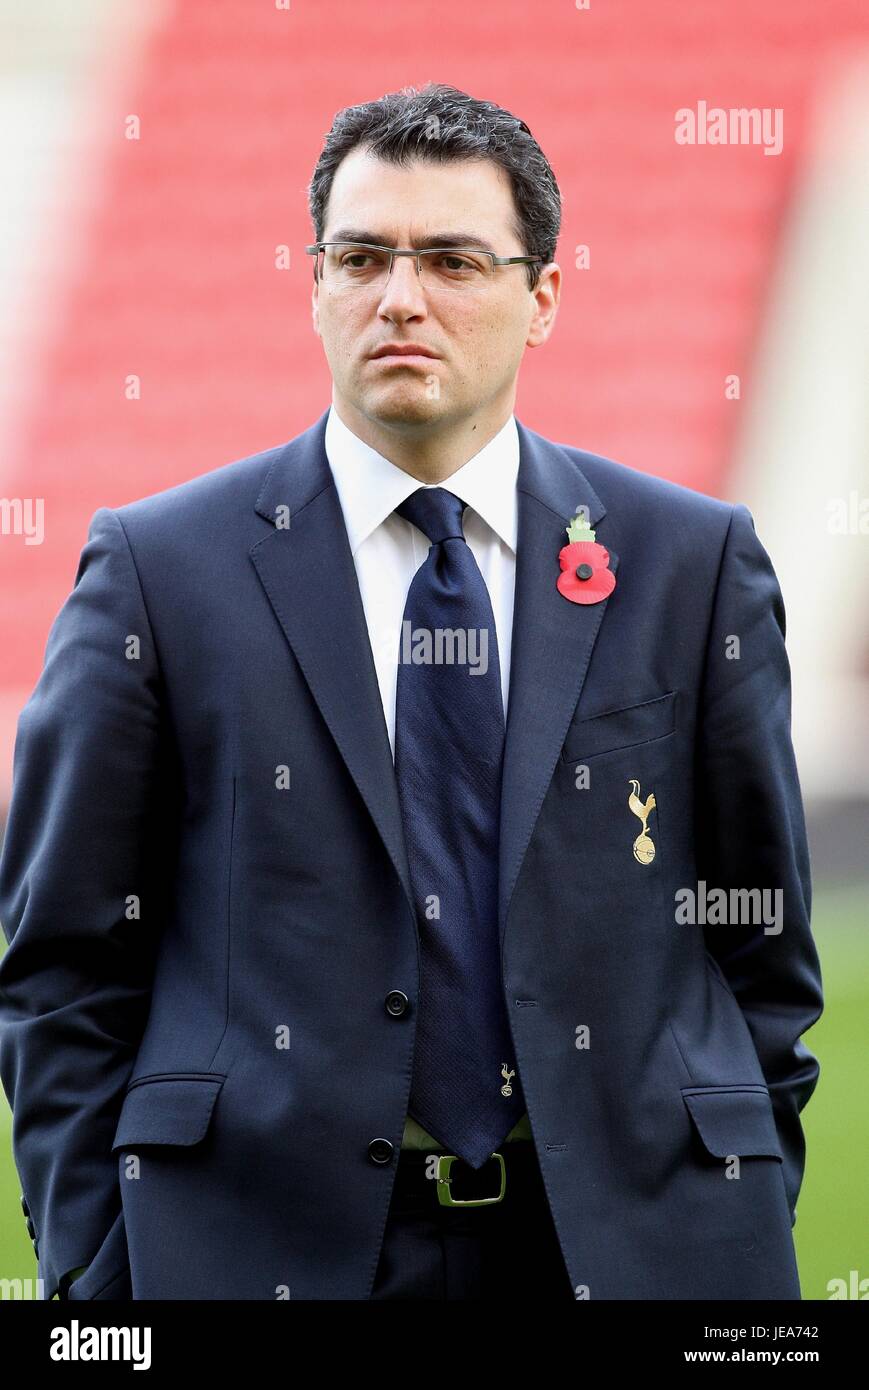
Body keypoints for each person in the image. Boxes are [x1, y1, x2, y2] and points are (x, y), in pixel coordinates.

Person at [0, 83, 822, 1301]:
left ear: (540, 297)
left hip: (627, 1256)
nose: (399, 296)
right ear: (314, 284)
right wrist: (96, 1270)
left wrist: (725, 1200)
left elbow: (760, 945)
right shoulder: (157, 571)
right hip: (262, 1258)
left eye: (449, 259)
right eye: (361, 256)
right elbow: (64, 961)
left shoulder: (689, 564)